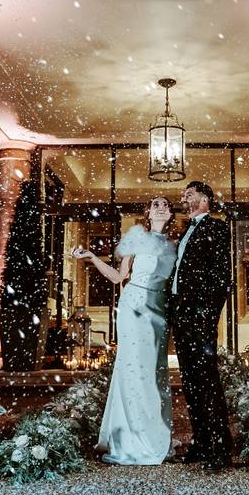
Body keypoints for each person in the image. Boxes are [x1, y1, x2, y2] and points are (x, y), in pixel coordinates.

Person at [71, 196, 177, 465]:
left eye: (165, 204)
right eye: (156, 204)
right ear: (147, 213)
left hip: (160, 310)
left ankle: (154, 435)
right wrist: (93, 257)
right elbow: (119, 277)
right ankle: (129, 436)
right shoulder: (137, 239)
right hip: (134, 307)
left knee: (155, 374)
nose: (161, 207)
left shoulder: (174, 246)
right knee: (133, 369)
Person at [168, 181, 234, 472]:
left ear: (206, 199)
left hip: (200, 318)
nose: (184, 198)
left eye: (190, 194)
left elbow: (220, 277)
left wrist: (207, 316)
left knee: (207, 381)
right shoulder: (185, 231)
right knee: (191, 382)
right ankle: (201, 441)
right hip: (181, 317)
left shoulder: (217, 229)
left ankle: (220, 448)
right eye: (184, 195)